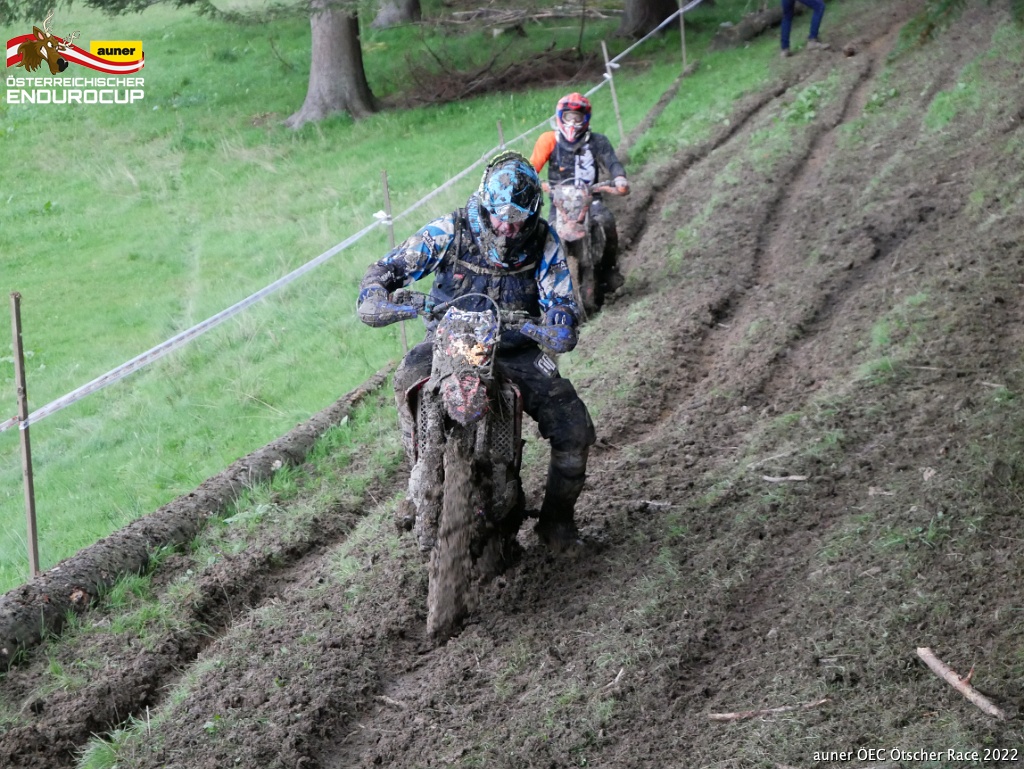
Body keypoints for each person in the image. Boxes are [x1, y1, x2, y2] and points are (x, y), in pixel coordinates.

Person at [356, 150, 596, 553]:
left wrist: (559, 322)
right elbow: (388, 267)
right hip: (447, 342)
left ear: (532, 214)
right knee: (406, 377)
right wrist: (377, 293)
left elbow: (562, 304)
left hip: (515, 349)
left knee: (574, 427)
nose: (506, 227)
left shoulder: (544, 242)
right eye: (499, 216)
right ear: (484, 205)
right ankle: (419, 473)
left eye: (517, 219)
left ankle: (557, 524)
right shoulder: (449, 229)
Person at [530, 92, 629, 296]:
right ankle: (543, 285)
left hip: (591, 199)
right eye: (569, 117)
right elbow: (532, 167)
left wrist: (619, 178)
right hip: (560, 203)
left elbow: (612, 162)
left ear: (586, 119)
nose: (573, 123)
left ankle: (609, 269)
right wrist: (529, 181)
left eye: (578, 118)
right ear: (560, 116)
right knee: (547, 238)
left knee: (607, 222)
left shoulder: (597, 141)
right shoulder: (549, 140)